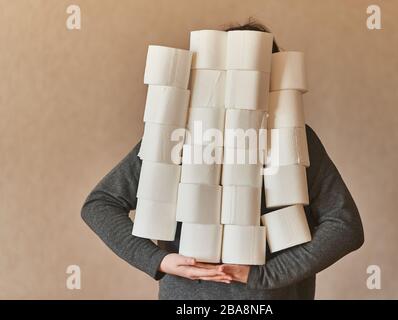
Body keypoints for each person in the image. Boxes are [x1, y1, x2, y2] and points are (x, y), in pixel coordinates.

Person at [81, 21, 364, 300]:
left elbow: (344, 226)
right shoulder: (174, 132)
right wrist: (159, 261)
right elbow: (100, 205)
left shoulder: (294, 138)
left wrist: (265, 276)